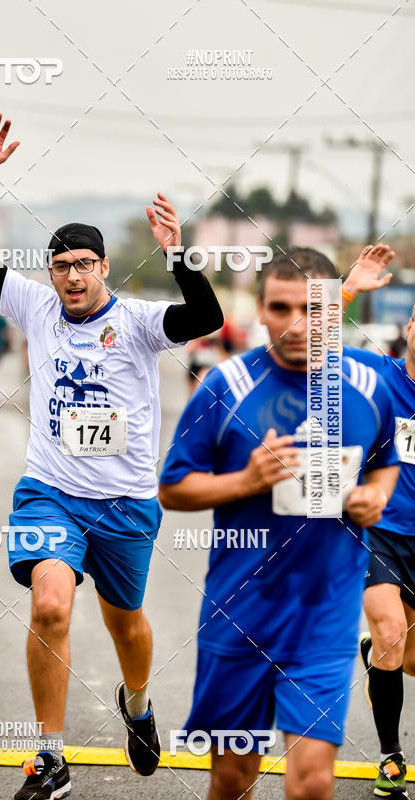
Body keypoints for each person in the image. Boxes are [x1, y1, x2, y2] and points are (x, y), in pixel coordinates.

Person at [0, 112, 223, 800]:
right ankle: (50, 758)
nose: (72, 278)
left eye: (84, 266)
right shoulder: (34, 308)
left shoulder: (136, 323)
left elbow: (206, 318)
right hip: (51, 490)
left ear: (104, 268)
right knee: (49, 607)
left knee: (125, 620)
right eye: (62, 266)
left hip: (127, 503)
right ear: (51, 272)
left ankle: (137, 703)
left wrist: (179, 254)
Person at [159, 247, 399, 800]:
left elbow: (386, 462)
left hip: (324, 617)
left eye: (312, 309)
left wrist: (372, 499)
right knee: (232, 779)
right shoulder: (225, 386)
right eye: (280, 307)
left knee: (312, 782)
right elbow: (172, 489)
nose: (297, 324)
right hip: (239, 615)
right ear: (260, 311)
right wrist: (246, 481)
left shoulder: (369, 384)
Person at [340, 244, 415, 797]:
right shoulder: (377, 375)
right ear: (410, 328)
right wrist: (347, 289)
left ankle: (379, 657)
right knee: (388, 629)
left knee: (403, 657)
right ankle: (391, 756)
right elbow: (305, 341)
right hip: (378, 530)